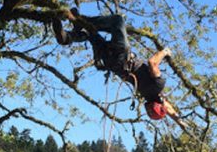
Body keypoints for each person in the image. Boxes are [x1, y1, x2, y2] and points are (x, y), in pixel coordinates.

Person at [52, 9, 188, 129]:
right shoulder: (146, 94)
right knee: (90, 33)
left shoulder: (158, 85)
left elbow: (152, 62)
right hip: (111, 63)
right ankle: (67, 37)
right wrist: (178, 120)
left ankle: (78, 20)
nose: (165, 101)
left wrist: (164, 52)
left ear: (159, 101)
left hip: (122, 54)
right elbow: (167, 107)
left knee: (117, 20)